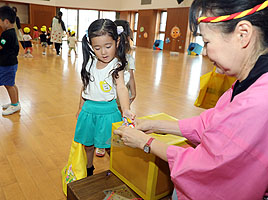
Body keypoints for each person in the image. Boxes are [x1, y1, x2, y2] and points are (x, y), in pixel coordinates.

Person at [114, 0, 268, 199]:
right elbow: (210, 123)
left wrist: (146, 142)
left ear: (243, 34)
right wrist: (153, 124)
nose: (204, 52)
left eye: (207, 42)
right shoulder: (250, 81)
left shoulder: (258, 102)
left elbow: (209, 166)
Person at [74, 19, 136, 176]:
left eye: (108, 46)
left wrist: (126, 110)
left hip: (108, 112)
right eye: (97, 48)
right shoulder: (89, 63)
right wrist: (80, 108)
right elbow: (85, 86)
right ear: (90, 45)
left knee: (110, 145)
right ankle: (89, 168)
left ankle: (117, 169)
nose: (103, 52)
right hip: (88, 110)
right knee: (87, 144)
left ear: (117, 41)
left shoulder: (117, 65)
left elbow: (121, 87)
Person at [95, 20, 137, 157]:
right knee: (107, 119)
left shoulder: (128, 58)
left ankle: (114, 141)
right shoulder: (103, 59)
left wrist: (133, 92)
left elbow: (130, 77)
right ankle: (102, 144)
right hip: (109, 94)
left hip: (123, 92)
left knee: (119, 118)